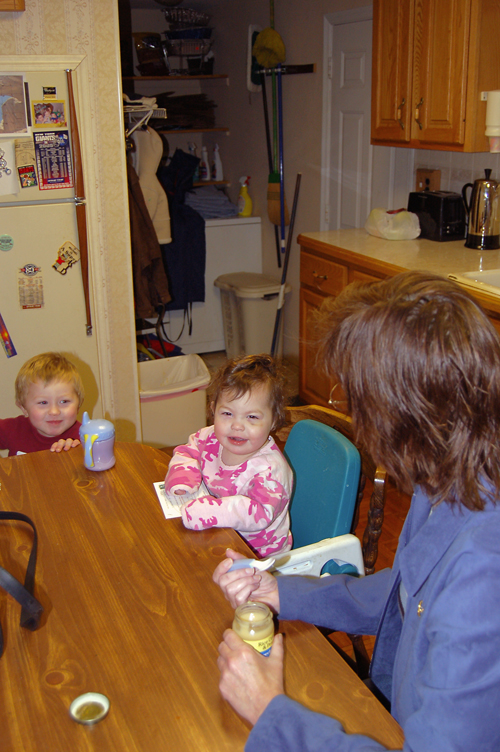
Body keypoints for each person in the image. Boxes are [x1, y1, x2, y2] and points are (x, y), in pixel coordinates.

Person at [213, 271, 500, 751]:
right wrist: (284, 592)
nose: (354, 415)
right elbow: (406, 592)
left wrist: (270, 712)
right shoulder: (451, 474)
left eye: (357, 399)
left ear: (404, 414)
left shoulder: (484, 574)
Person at [164, 353, 293, 558]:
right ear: (213, 410)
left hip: (258, 557)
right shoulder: (210, 438)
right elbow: (188, 450)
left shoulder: (271, 471)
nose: (237, 426)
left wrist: (210, 512)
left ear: (274, 420)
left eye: (251, 417)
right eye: (227, 413)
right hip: (216, 537)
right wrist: (183, 478)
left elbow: (258, 513)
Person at [0, 352, 84, 456]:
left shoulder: (84, 437)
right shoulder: (14, 429)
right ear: (24, 408)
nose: (54, 411)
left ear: (78, 405)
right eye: (43, 402)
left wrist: (79, 451)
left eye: (64, 401)